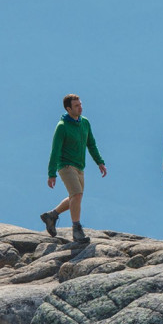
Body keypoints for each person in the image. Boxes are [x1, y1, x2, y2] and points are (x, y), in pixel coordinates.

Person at [41, 94, 107, 244]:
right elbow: (55, 151)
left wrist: (100, 162)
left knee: (75, 197)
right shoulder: (62, 127)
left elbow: (91, 144)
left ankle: (51, 215)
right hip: (66, 166)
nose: (80, 107)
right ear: (68, 108)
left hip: (79, 166)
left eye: (80, 104)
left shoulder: (85, 123)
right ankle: (77, 231)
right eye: (76, 106)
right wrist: (51, 173)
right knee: (77, 194)